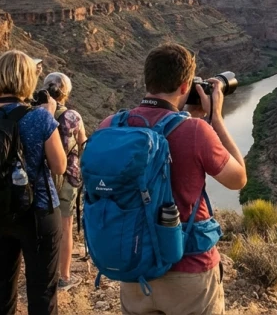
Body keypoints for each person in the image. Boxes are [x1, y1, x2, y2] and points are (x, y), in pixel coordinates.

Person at [97, 44, 246, 315]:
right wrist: (215, 118)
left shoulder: (110, 125)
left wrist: (187, 117)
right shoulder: (196, 131)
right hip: (190, 272)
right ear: (185, 86)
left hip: (135, 268)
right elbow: (238, 179)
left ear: (147, 80)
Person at [0, 51, 66, 315]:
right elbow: (59, 166)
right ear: (28, 79)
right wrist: (50, 116)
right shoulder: (39, 117)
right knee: (42, 292)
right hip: (37, 211)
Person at [42, 72, 87, 292]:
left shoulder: (36, 114)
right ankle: (64, 276)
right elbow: (83, 145)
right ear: (66, 92)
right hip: (68, 178)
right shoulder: (73, 117)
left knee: (43, 225)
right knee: (66, 227)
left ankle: (44, 272)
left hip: (42, 178)